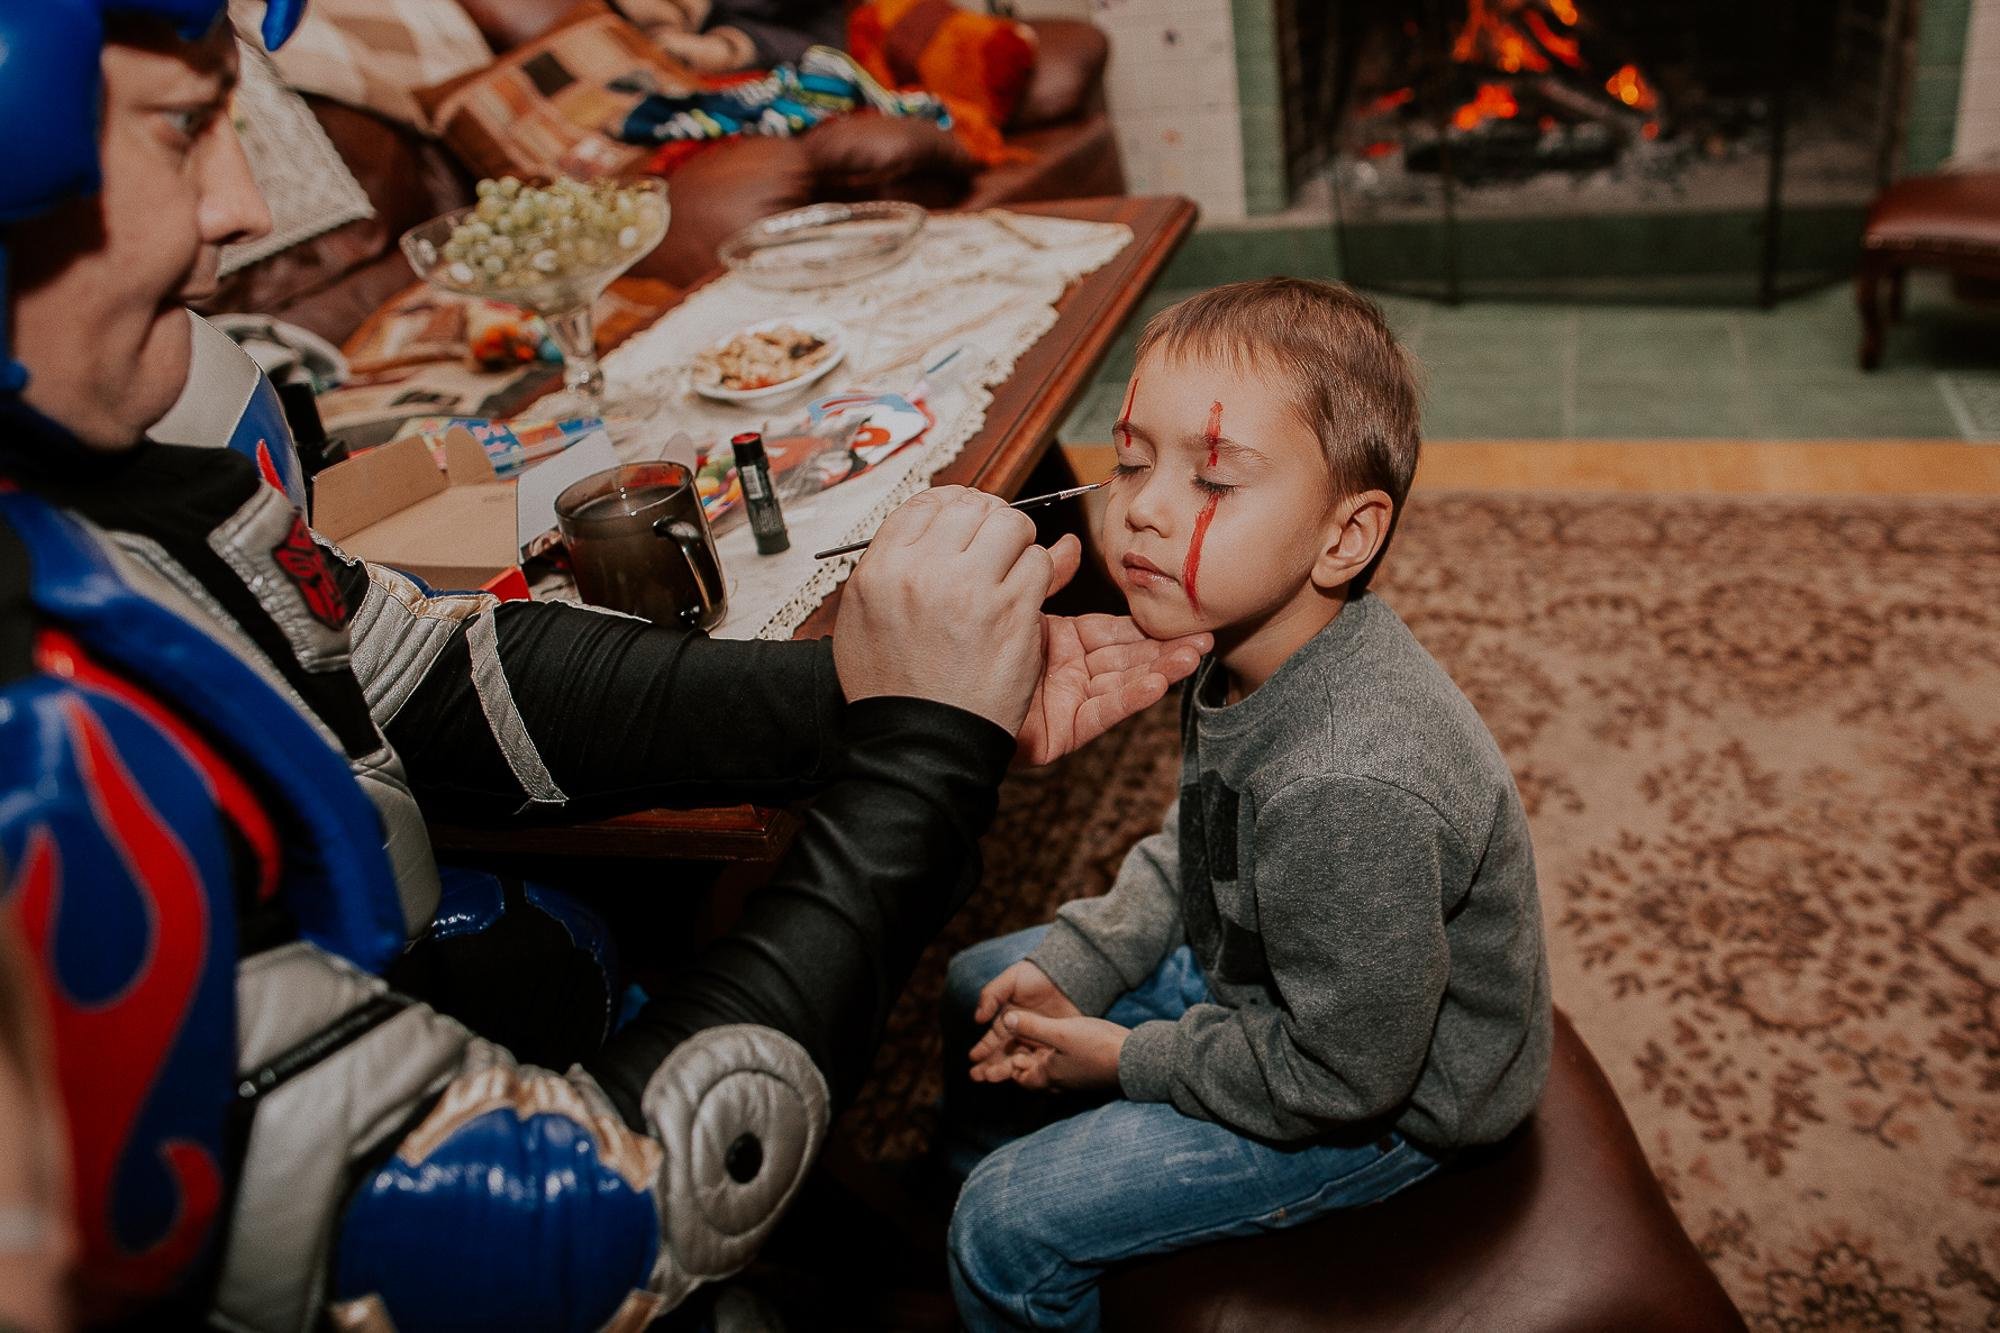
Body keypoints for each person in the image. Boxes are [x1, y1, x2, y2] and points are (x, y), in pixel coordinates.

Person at [0, 2, 1209, 1329]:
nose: (239, 205)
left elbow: (425, 674)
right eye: (183, 126)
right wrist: (919, 768)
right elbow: (578, 1222)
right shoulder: (32, 746)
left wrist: (861, 697)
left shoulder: (116, 485)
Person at [938, 279, 1555, 1330]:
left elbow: (1344, 1077)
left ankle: (995, 1250)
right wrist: (1077, 962)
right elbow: (1206, 842)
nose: (1140, 504)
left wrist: (1119, 1057)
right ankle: (989, 1171)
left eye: (1212, 475)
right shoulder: (1240, 641)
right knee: (981, 982)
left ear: (1343, 537)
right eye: (1132, 460)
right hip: (1275, 980)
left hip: (1383, 1102)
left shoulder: (1350, 786)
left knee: (999, 1223)